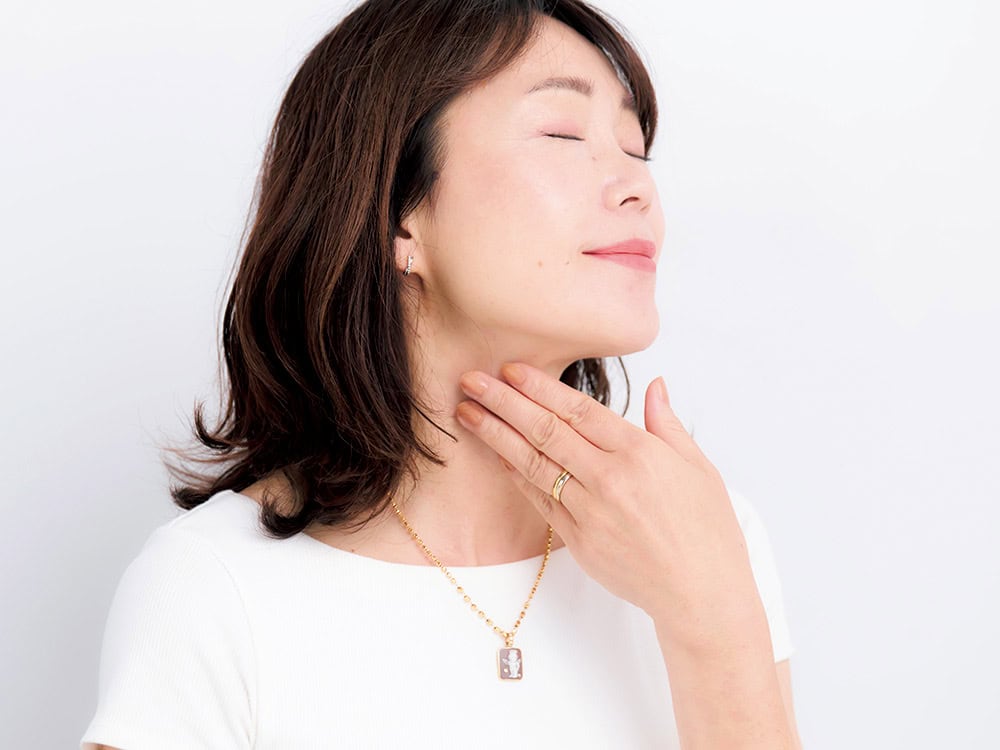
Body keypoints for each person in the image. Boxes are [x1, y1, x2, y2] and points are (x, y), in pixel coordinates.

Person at [81, 0, 803, 747]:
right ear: (398, 212)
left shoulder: (708, 540)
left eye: (635, 149)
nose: (638, 188)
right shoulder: (213, 589)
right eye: (563, 135)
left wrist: (714, 620)